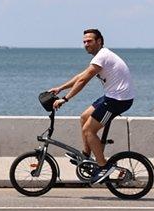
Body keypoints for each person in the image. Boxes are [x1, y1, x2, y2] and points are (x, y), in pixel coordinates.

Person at [49, 28, 135, 184]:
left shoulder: (102, 56)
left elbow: (83, 81)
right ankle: (86, 156)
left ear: (99, 41)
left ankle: (103, 166)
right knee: (84, 117)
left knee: (89, 130)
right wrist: (60, 88)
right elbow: (81, 76)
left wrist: (65, 99)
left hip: (119, 100)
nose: (86, 44)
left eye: (89, 41)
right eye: (84, 42)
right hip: (112, 96)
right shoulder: (100, 57)